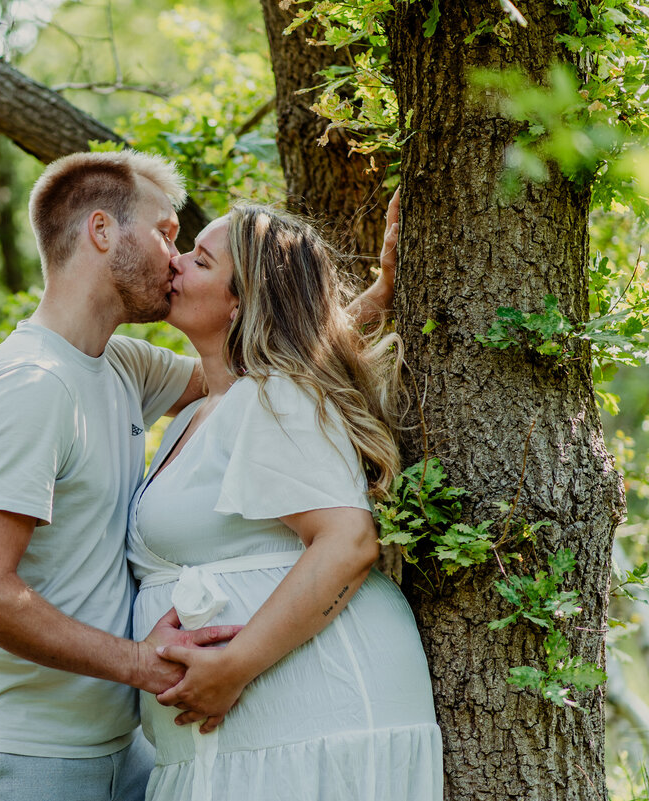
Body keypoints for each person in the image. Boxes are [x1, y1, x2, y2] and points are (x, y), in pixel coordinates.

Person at [0, 148, 396, 801]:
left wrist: (367, 303)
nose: (175, 258)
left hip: (119, 748)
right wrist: (141, 662)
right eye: (167, 233)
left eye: (190, 249)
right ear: (102, 232)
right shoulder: (33, 385)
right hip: (21, 748)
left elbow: (251, 359)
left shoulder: (120, 366)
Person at [127, 204, 442, 801]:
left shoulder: (276, 398)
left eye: (199, 260)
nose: (175, 264)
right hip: (254, 731)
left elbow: (348, 542)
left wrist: (236, 664)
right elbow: (309, 352)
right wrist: (377, 295)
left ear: (240, 303)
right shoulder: (202, 409)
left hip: (313, 713)